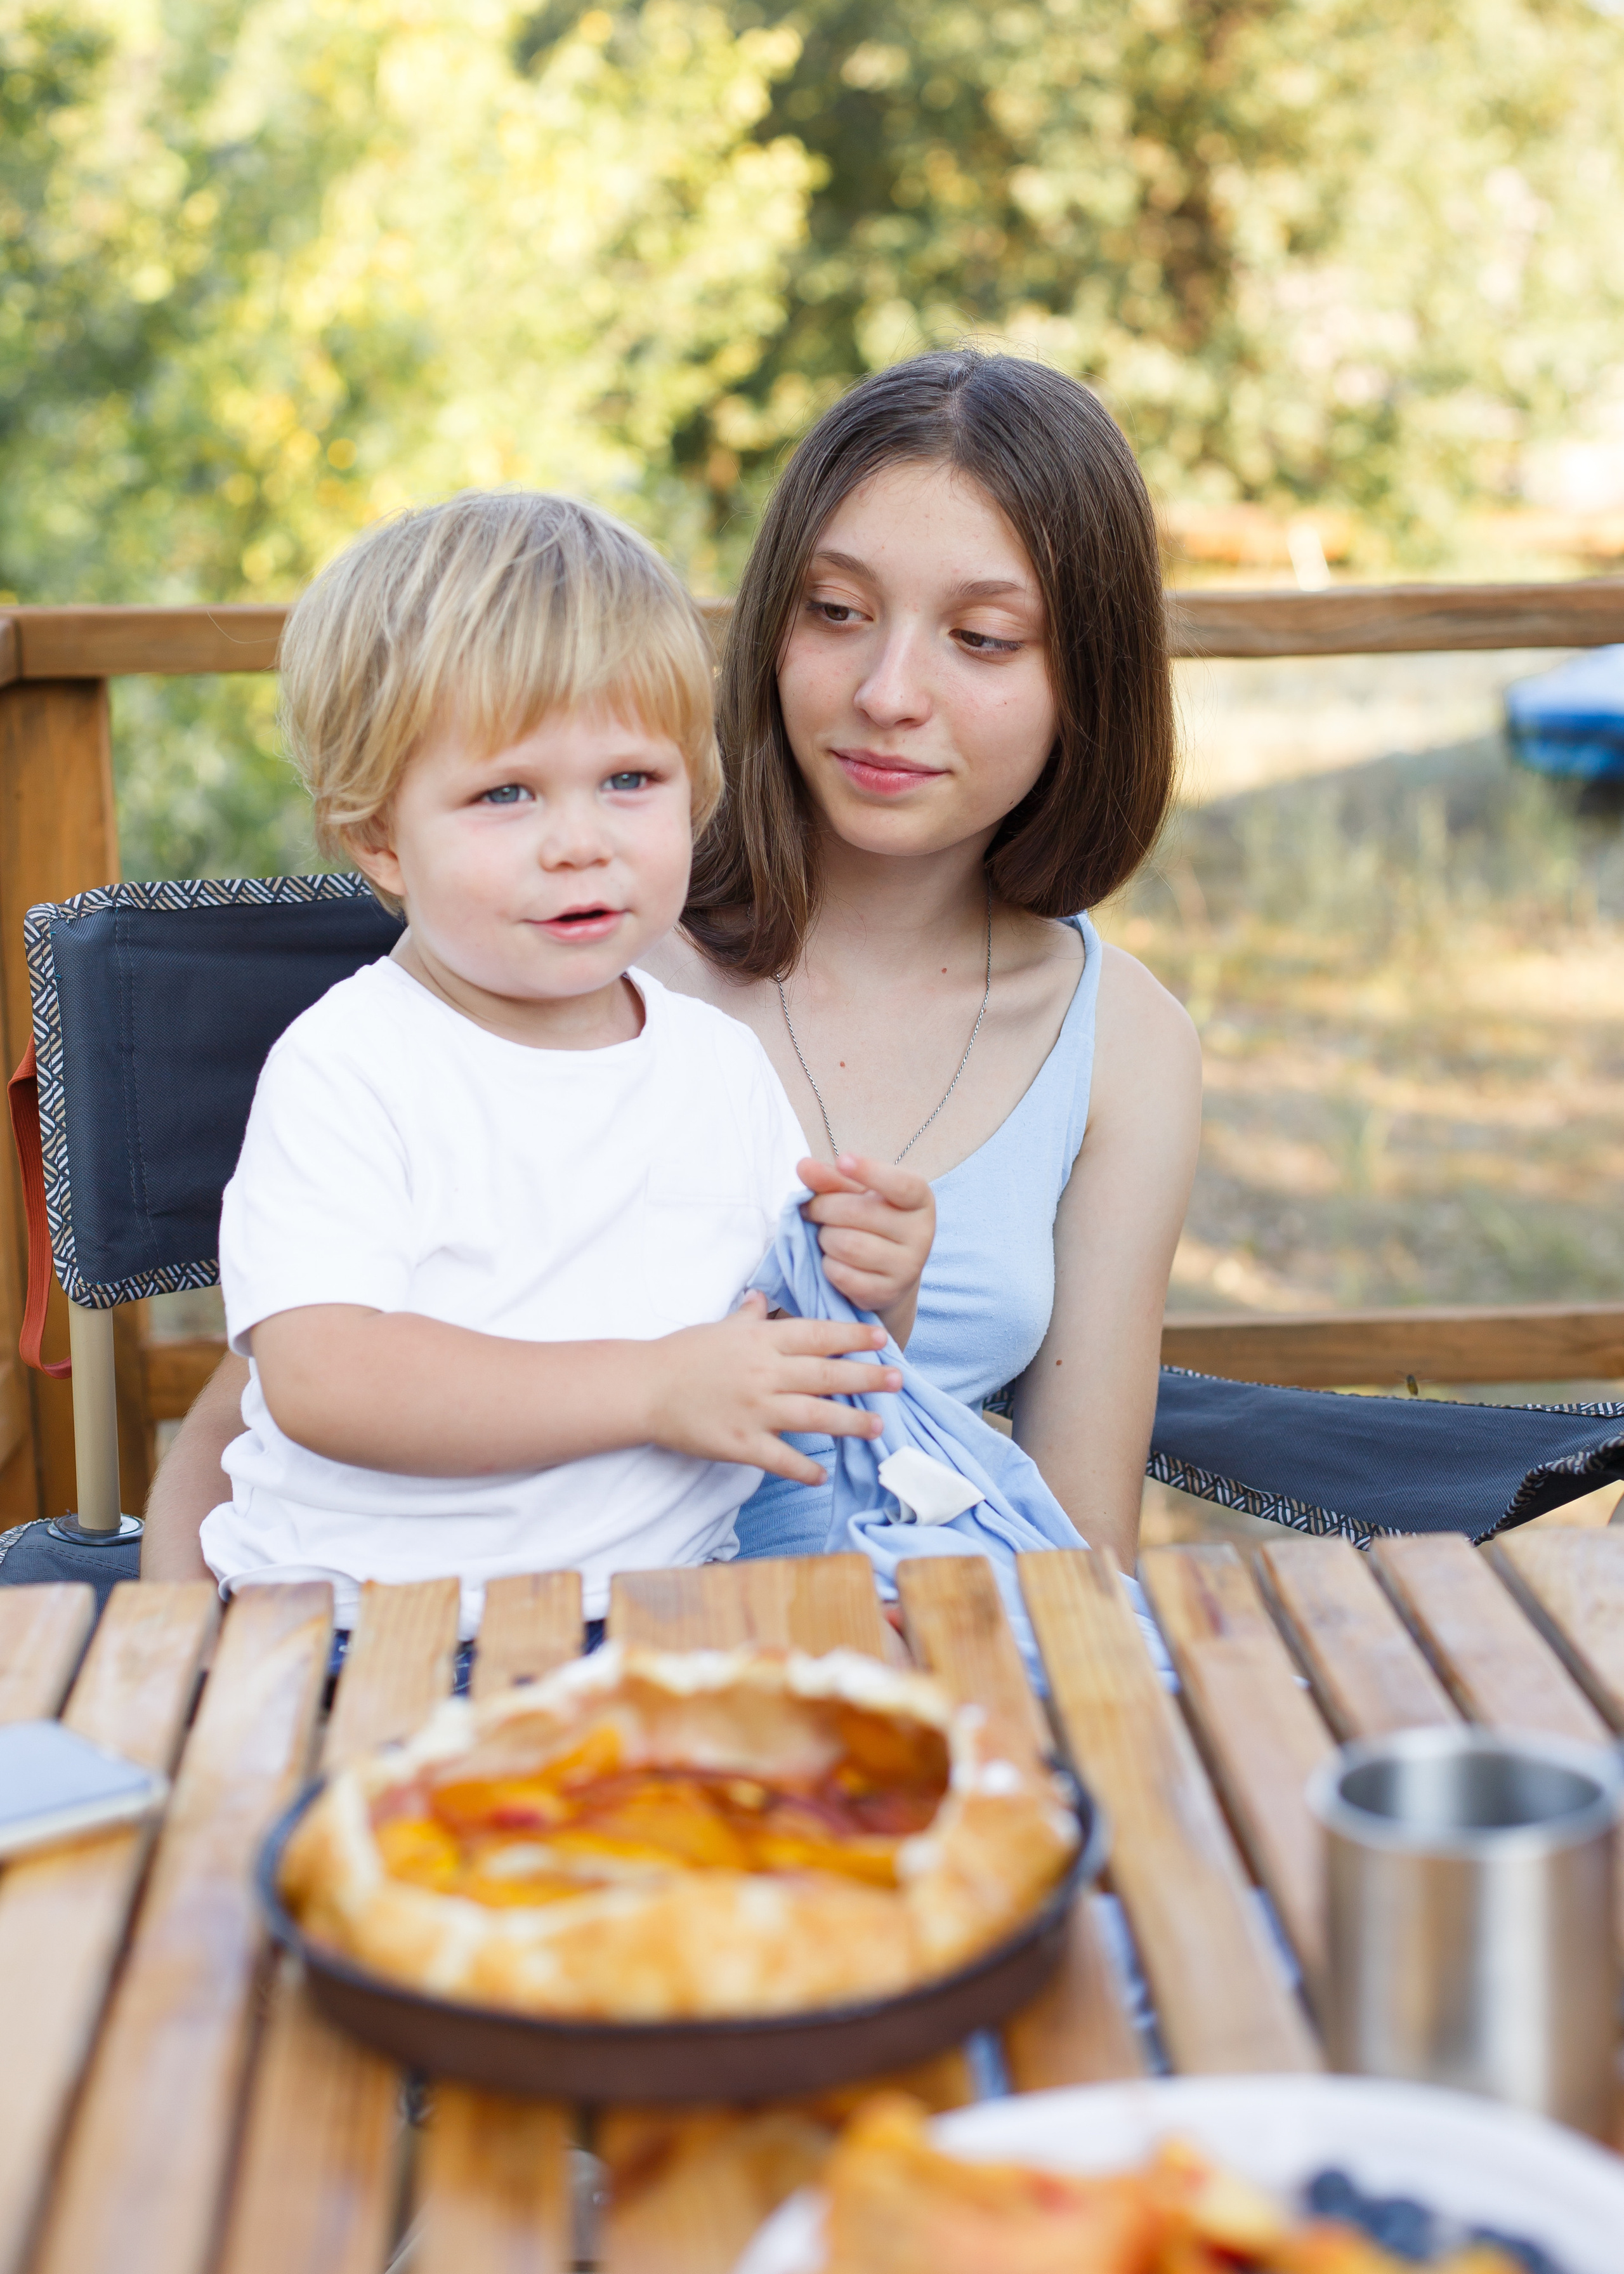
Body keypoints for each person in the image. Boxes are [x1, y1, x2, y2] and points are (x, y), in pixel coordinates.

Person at [145, 348, 1200, 1586]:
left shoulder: (1115, 1038)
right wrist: (195, 1688)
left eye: (980, 636)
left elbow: (1077, 1542)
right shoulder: (562, 957)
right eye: (836, 612)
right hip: (476, 1637)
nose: (887, 692)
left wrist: (881, 1297)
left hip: (864, 1648)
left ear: (1089, 676)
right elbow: (278, 1402)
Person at [190, 489, 934, 1634]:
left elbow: (771, 1360)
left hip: (668, 1610)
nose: (580, 839)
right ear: (380, 837)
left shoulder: (716, 1068)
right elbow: (323, 1377)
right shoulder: (355, 1064)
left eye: (630, 780)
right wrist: (654, 1387)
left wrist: (877, 1291)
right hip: (374, 1628)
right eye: (506, 793)